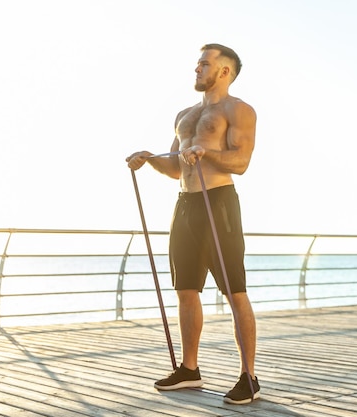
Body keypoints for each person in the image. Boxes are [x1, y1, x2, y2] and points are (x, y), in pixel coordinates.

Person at [126, 43, 259, 404]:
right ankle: (189, 369)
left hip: (219, 203)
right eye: (197, 63)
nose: (197, 69)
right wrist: (149, 158)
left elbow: (241, 161)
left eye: (204, 63)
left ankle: (248, 376)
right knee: (186, 289)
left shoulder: (238, 110)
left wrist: (208, 153)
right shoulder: (184, 115)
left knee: (235, 291)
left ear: (225, 71)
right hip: (185, 205)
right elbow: (174, 168)